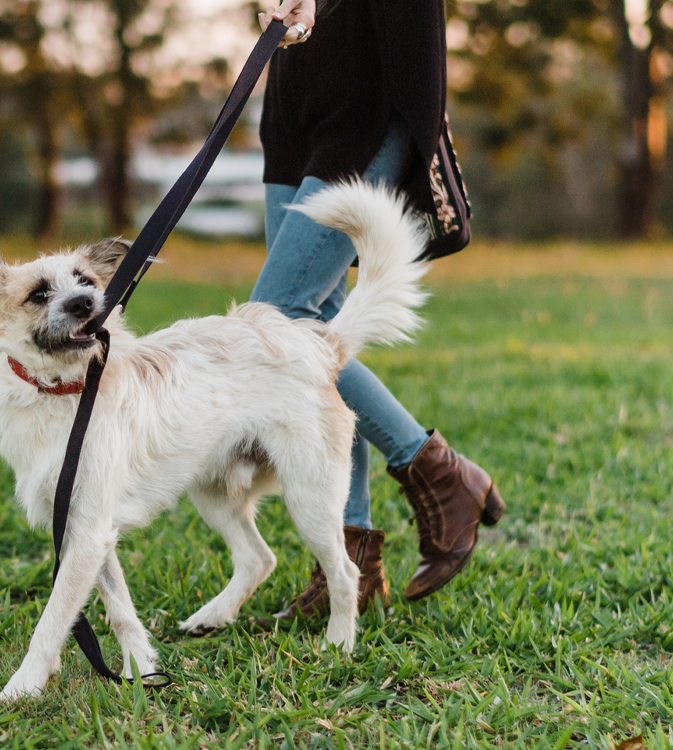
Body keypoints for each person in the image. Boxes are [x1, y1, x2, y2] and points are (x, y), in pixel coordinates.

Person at [252, 0, 506, 620]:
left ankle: (438, 473)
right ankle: (351, 560)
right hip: (293, 114)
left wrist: (415, 143)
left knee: (277, 319)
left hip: (365, 114)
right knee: (315, 324)